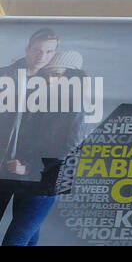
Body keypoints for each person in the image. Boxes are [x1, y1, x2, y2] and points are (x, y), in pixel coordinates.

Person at [1, 49, 88, 245]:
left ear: (72, 76)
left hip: (46, 181)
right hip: (26, 178)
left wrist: (29, 167)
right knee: (29, 236)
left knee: (16, 239)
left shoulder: (74, 103)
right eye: (47, 73)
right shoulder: (44, 98)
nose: (49, 78)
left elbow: (69, 150)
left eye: (56, 74)